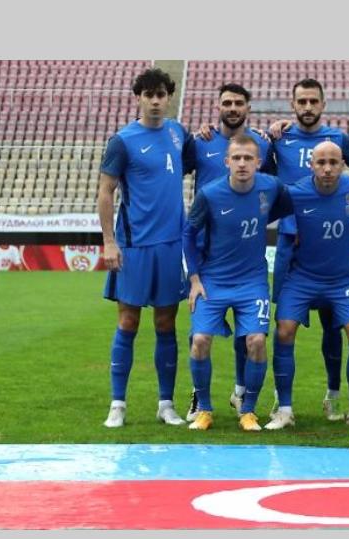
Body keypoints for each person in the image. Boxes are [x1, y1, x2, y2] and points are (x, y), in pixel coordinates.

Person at [98, 68, 195, 428]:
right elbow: (105, 191)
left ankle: (166, 404)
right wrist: (109, 241)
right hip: (134, 245)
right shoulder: (123, 140)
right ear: (138, 98)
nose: (155, 101)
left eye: (161, 94)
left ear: (169, 98)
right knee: (128, 321)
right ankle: (118, 404)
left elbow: (199, 158)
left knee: (166, 323)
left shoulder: (178, 132)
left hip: (171, 245)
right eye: (148, 95)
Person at [269, 78, 349, 422]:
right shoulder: (277, 138)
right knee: (281, 325)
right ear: (292, 105)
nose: (307, 107)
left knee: (334, 326)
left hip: (331, 246)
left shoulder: (340, 139)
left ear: (324, 105)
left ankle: (335, 395)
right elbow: (259, 174)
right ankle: (276, 400)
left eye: (313, 101)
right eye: (302, 101)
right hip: (292, 244)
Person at [183, 134, 290, 431]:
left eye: (248, 158)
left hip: (252, 281)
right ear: (226, 162)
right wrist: (194, 279)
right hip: (213, 280)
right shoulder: (209, 194)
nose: (242, 164)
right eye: (237, 158)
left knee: (257, 341)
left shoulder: (271, 187)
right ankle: (204, 409)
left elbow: (286, 206)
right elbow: (188, 234)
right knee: (200, 341)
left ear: (258, 162)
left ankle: (248, 410)